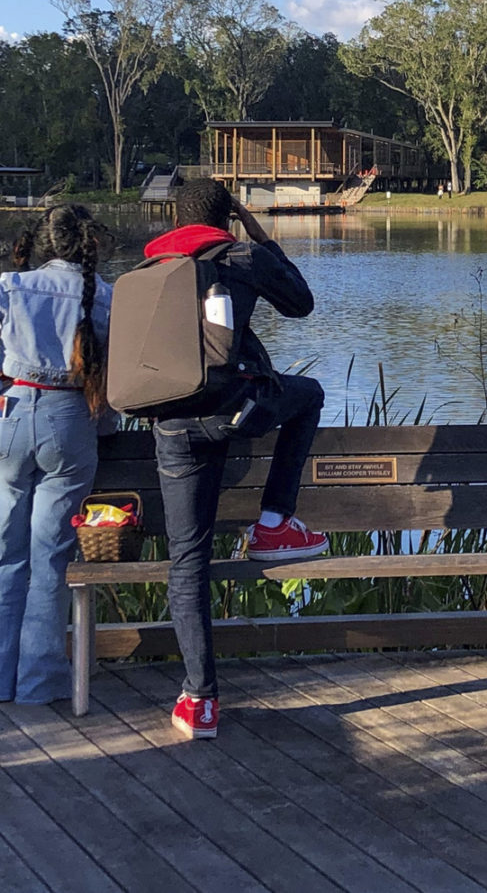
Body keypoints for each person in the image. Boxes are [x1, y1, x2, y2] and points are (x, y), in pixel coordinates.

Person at [149, 178, 327, 738]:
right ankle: (274, 523)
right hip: (235, 412)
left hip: (172, 426)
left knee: (188, 558)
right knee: (311, 394)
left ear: (176, 218)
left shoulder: (149, 268)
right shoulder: (240, 255)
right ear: (227, 219)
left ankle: (199, 702)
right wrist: (262, 238)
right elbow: (301, 303)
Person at [0, 204, 114, 702]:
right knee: (51, 559)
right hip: (69, 421)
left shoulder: (13, 286)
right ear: (90, 246)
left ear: (45, 243)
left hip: (8, 413)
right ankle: (40, 683)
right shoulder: (104, 296)